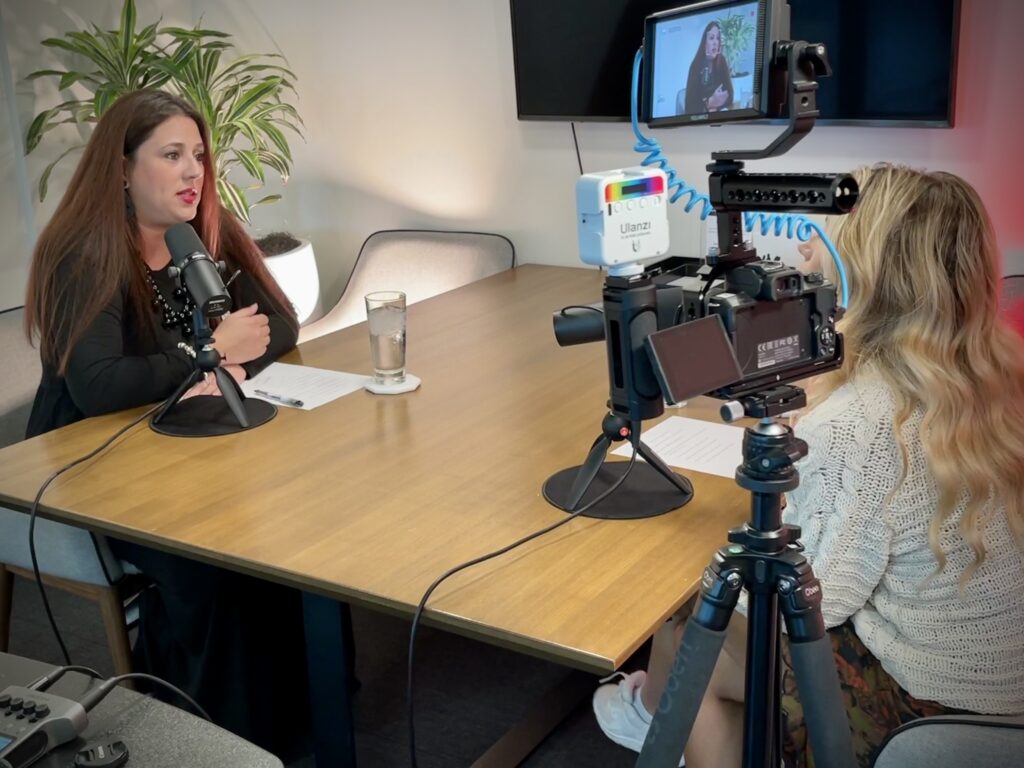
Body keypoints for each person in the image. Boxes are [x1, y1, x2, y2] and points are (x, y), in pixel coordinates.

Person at [592, 164, 1024, 767]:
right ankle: (669, 712)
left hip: (932, 698)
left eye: (820, 241)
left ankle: (661, 718)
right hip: (1003, 679)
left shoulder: (863, 423)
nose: (801, 252)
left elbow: (817, 600)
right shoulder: (994, 372)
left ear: (865, 274)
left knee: (689, 635)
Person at [23, 89, 311, 759]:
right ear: (121, 169)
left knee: (288, 533)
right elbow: (97, 389)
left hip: (188, 452)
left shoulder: (201, 232)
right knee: (214, 563)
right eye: (172, 155)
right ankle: (215, 738)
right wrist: (205, 357)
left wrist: (227, 361)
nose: (193, 174)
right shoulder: (85, 252)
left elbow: (283, 321)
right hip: (91, 463)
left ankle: (292, 720)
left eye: (200, 157)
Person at [682, 20, 734, 115]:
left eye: (718, 38)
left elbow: (730, 95)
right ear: (704, 43)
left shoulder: (722, 61)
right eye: (711, 38)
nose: (715, 42)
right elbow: (689, 107)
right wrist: (709, 103)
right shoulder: (695, 66)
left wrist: (716, 105)